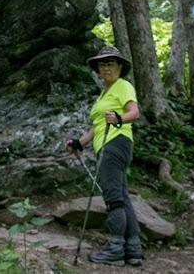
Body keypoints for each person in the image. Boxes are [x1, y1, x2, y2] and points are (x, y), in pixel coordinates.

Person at [65, 45, 143, 267]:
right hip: (110, 144)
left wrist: (118, 119)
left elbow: (134, 112)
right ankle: (133, 249)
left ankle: (116, 248)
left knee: (113, 197)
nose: (106, 68)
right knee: (122, 196)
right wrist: (79, 142)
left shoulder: (122, 86)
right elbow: (98, 126)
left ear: (119, 67)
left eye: (110, 63)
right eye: (102, 64)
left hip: (114, 144)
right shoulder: (103, 95)